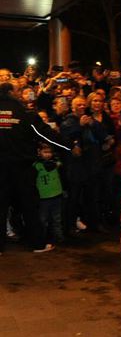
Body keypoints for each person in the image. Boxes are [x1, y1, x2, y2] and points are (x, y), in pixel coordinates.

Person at [0, 81, 70, 254]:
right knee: (29, 206)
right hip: (22, 168)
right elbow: (45, 133)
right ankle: (37, 244)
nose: (20, 94)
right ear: (11, 92)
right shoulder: (24, 113)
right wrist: (68, 146)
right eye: (18, 91)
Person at [33, 143, 65, 244]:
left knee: (57, 219)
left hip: (57, 195)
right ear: (39, 152)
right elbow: (47, 167)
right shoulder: (37, 165)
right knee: (43, 220)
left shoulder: (55, 162)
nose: (48, 154)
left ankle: (59, 237)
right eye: (45, 152)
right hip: (44, 197)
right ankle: (43, 238)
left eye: (49, 152)